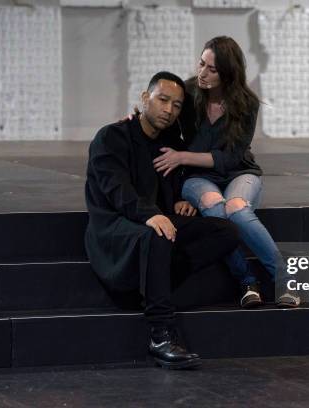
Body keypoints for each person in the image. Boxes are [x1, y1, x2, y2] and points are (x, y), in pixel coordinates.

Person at [84, 71, 241, 369]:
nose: (169, 110)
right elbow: (118, 192)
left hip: (155, 221)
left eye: (177, 105)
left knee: (226, 232)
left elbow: (168, 179)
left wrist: (179, 199)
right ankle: (160, 335)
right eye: (162, 100)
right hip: (115, 228)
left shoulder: (168, 140)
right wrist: (153, 215)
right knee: (159, 234)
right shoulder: (111, 137)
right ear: (145, 98)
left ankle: (154, 284)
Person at [151, 37, 301, 309]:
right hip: (198, 177)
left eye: (212, 69)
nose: (203, 73)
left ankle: (286, 279)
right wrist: (135, 118)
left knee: (237, 208)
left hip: (239, 171)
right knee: (216, 211)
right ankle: (247, 282)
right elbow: (158, 109)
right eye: (201, 64)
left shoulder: (246, 103)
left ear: (229, 73)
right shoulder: (187, 93)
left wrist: (182, 156)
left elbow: (231, 157)